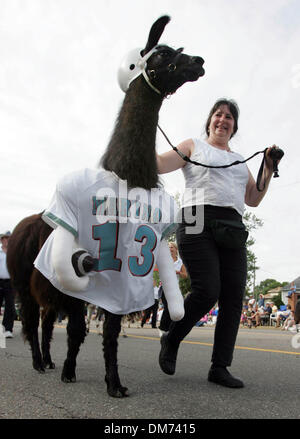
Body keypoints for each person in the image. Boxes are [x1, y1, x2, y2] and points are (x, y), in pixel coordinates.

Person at [156, 98, 281, 388]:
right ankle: (171, 338)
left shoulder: (238, 161)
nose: (223, 120)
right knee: (207, 289)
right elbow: (161, 164)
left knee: (233, 298)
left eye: (229, 117)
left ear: (234, 127)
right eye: (218, 114)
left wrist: (268, 166)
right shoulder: (193, 146)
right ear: (210, 120)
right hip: (197, 217)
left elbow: (253, 197)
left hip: (232, 226)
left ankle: (219, 367)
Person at [159, 242, 188, 334]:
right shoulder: (164, 260)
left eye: (171, 247)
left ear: (176, 249)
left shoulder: (180, 262)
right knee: (167, 307)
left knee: (175, 308)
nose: (170, 249)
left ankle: (171, 328)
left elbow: (185, 275)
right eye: (168, 247)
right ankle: (163, 328)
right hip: (164, 287)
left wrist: (178, 272)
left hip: (175, 288)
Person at [0, 231, 15, 338]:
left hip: (10, 283)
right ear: (1, 240)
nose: (7, 241)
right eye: (5, 239)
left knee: (10, 307)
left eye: (9, 239)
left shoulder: (13, 253)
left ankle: (8, 329)